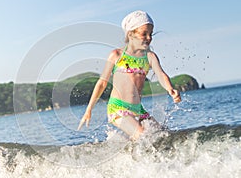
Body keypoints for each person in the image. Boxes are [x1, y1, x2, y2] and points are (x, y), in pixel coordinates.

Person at [78, 10, 181, 140]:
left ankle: (130, 155)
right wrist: (89, 110)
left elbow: (160, 74)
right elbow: (102, 82)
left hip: (138, 109)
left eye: (151, 34)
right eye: (144, 34)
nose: (149, 38)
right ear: (131, 34)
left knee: (163, 135)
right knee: (143, 136)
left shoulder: (150, 57)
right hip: (117, 108)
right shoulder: (116, 55)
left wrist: (170, 89)